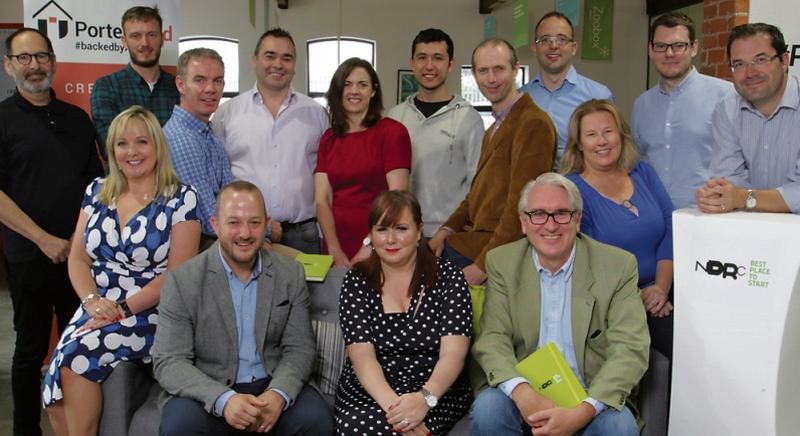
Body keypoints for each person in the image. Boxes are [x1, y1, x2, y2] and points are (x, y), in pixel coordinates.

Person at [41, 106, 201, 435]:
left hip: (151, 311)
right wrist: (90, 301)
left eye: (141, 142)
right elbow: (77, 259)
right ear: (112, 149)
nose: (132, 152)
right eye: (122, 144)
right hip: (98, 306)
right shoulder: (96, 193)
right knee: (52, 385)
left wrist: (122, 309)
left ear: (158, 146)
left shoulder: (181, 199)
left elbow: (176, 275)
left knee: (74, 360)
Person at [470, 173, 649, 436]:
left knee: (618, 427)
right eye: (539, 214)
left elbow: (630, 349)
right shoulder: (502, 263)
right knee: (489, 410)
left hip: (590, 393)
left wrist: (584, 410)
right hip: (525, 389)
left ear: (577, 220)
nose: (551, 225)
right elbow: (493, 338)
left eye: (562, 213)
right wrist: (521, 391)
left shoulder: (618, 266)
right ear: (523, 222)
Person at [152, 180, 333, 435]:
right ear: (215, 225)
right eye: (234, 222)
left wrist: (278, 395)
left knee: (316, 419)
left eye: (255, 223)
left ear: (266, 223)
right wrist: (224, 399)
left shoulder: (289, 274)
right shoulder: (183, 280)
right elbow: (169, 360)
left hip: (271, 381)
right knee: (179, 426)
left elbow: (300, 348)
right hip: (210, 389)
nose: (245, 233)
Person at [0, 27, 103, 436]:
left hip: (78, 258)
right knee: (30, 349)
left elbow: (96, 187)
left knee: (79, 345)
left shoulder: (78, 119)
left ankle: (76, 425)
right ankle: (27, 429)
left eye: (41, 57)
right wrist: (44, 240)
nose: (34, 66)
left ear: (54, 63)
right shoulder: (3, 120)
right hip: (30, 256)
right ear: (9, 67)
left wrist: (76, 245)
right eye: (24, 58)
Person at [335, 190, 472, 435]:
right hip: (373, 389)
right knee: (359, 426)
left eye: (401, 228)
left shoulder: (449, 276)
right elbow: (362, 356)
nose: (390, 239)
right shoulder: (357, 280)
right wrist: (398, 414)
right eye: (381, 229)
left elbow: (454, 354)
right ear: (370, 235)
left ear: (419, 232)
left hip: (436, 388)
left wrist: (424, 400)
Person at [428, 38, 557, 285]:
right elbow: (475, 195)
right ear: (474, 75)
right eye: (483, 71)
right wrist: (445, 230)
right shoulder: (495, 127)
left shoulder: (532, 123)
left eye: (499, 69)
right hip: (473, 241)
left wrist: (483, 266)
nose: (491, 78)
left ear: (516, 70)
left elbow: (523, 206)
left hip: (494, 252)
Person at [561, 99, 674, 358]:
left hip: (664, 287)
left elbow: (670, 226)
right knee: (676, 346)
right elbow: (585, 262)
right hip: (613, 303)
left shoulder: (642, 172)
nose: (602, 141)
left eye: (608, 131)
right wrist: (639, 297)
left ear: (621, 135)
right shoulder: (571, 190)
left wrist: (660, 288)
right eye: (591, 134)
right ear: (579, 144)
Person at [213, 28, 329, 254]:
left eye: (287, 58)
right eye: (270, 56)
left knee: (306, 290)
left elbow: (326, 177)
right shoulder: (227, 114)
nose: (278, 64)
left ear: (294, 65)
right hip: (245, 235)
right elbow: (217, 176)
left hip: (303, 234)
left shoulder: (316, 115)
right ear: (254, 60)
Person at [386, 28, 484, 238]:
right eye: (422, 58)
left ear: (450, 64)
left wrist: (456, 227)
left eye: (437, 58)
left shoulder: (469, 119)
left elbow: (477, 184)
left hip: (449, 233)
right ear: (412, 63)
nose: (429, 66)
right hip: (401, 232)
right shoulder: (395, 117)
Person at [314, 58, 411, 267]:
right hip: (335, 246)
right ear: (337, 90)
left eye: (362, 84)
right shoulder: (328, 139)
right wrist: (333, 249)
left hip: (383, 244)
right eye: (347, 84)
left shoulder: (393, 133)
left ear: (373, 91)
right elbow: (322, 199)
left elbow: (397, 197)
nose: (354, 91)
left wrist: (370, 244)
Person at [696, 22, 800, 214]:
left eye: (760, 60)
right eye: (740, 64)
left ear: (785, 61)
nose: (750, 73)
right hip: (749, 230)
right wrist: (722, 194)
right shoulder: (727, 108)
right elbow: (727, 178)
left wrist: (744, 198)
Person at [632, 11, 733, 209]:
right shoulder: (641, 105)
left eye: (678, 46)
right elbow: (639, 162)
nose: (669, 54)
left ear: (694, 48)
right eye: (661, 46)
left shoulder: (725, 96)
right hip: (655, 215)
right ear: (651, 50)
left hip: (706, 215)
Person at [520, 11, 614, 167]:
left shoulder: (599, 96)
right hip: (532, 188)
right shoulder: (521, 98)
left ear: (574, 47)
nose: (554, 46)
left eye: (561, 39)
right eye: (545, 40)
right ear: (534, 48)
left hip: (583, 189)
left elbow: (611, 152)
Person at [164, 47, 234, 246]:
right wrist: (264, 230)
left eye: (217, 80)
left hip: (222, 240)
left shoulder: (206, 133)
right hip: (205, 248)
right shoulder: (181, 139)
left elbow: (230, 193)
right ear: (180, 84)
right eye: (199, 80)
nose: (210, 89)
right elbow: (209, 218)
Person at [91, 6, 179, 148]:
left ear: (162, 39)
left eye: (151, 35)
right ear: (124, 41)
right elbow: (111, 147)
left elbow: (187, 143)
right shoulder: (107, 87)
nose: (144, 43)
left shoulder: (178, 88)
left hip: (173, 171)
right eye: (135, 36)